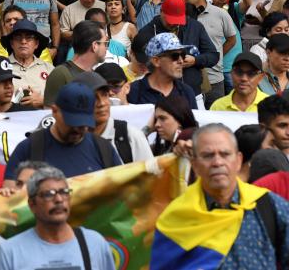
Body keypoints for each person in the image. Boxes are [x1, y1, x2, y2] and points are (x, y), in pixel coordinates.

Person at [151, 123, 289, 270]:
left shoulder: (267, 205)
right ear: (195, 164)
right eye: (208, 155)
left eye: (225, 154)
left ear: (238, 160)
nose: (217, 162)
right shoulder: (176, 217)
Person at [0, 166, 115, 270]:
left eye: (64, 192)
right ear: (32, 204)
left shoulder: (94, 243)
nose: (58, 199)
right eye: (48, 194)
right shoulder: (10, 251)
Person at [4, 82, 121, 187]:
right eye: (72, 122)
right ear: (54, 111)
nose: (77, 129)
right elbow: (10, 197)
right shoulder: (30, 148)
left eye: (83, 124)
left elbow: (122, 193)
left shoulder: (103, 149)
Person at [137, 0, 219, 102]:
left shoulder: (194, 26)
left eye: (178, 20)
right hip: (159, 95)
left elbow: (213, 56)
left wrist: (195, 60)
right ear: (161, 11)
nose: (174, 24)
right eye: (170, 20)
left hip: (193, 94)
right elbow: (140, 63)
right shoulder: (147, 32)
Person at [180, 0, 238, 107]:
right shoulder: (181, 16)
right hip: (188, 77)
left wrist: (216, 55)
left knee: (215, 120)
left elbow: (232, 39)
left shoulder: (221, 14)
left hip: (214, 76)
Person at [75, 71, 153, 163]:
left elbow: (151, 174)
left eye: (104, 95)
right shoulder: (71, 138)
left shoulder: (130, 136)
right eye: (93, 97)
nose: (102, 103)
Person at [44, 20, 108, 106]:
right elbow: (50, 114)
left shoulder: (95, 75)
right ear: (95, 46)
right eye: (106, 43)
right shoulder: (61, 74)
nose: (107, 48)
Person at [127, 32, 198, 109]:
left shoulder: (187, 92)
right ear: (156, 61)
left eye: (183, 55)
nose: (181, 61)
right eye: (174, 56)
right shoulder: (133, 91)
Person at [1, 19, 54, 109]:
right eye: (18, 37)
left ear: (36, 44)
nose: (23, 41)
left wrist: (44, 101)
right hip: (11, 120)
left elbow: (64, 100)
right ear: (12, 43)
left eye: (29, 37)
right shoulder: (1, 68)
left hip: (43, 120)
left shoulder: (49, 69)